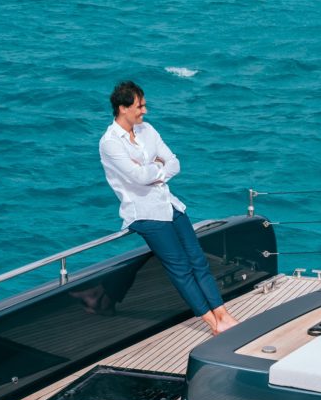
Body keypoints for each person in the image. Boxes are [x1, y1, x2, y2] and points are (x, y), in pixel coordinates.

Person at [99, 81, 238, 335]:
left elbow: (174, 163)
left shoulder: (147, 130)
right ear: (123, 108)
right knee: (181, 269)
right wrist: (156, 167)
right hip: (145, 213)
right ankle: (214, 324)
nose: (145, 111)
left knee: (198, 261)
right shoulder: (110, 143)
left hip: (169, 204)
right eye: (139, 106)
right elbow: (138, 177)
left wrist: (152, 170)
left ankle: (224, 316)